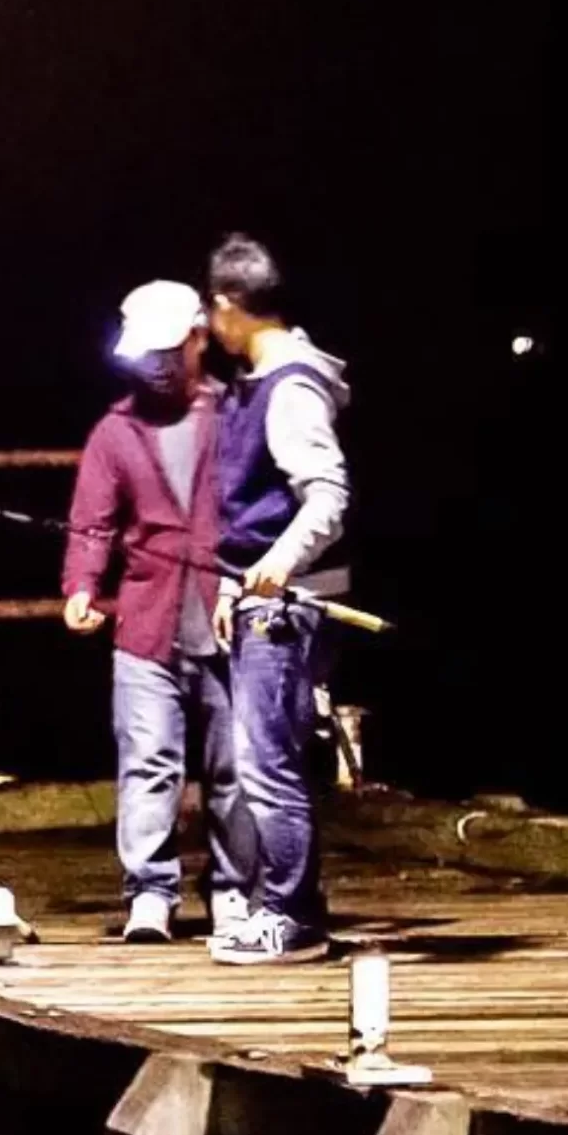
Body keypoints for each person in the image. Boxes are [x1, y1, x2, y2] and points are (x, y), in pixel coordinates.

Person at [60, 279, 257, 942]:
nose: (157, 366)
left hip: (231, 620)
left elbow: (262, 510)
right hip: (146, 623)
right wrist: (81, 586)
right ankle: (150, 893)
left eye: (168, 351)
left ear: (198, 339)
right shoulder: (115, 432)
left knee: (235, 767)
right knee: (147, 761)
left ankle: (235, 889)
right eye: (145, 355)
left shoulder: (236, 416)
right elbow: (91, 522)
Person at [201, 232, 353, 965]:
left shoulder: (290, 385)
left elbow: (327, 496)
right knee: (263, 756)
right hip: (263, 599)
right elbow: (252, 511)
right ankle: (291, 905)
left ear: (230, 306)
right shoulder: (260, 385)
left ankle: (291, 916)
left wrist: (275, 568)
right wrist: (236, 581)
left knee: (267, 763)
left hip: (289, 606)